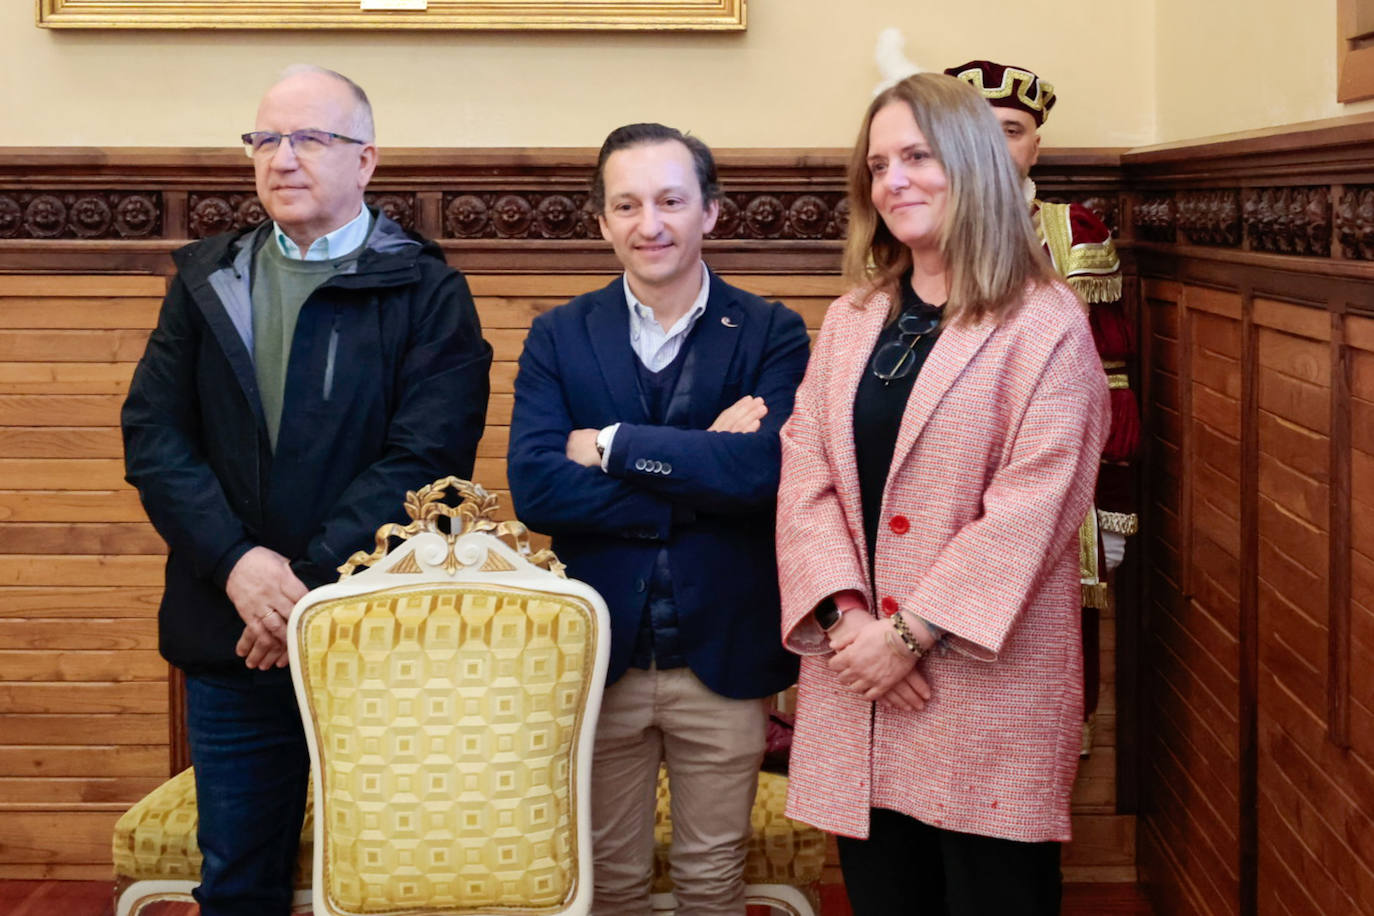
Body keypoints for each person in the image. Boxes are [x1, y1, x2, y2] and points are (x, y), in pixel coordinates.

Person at [121, 65, 491, 915]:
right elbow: (155, 436)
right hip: (231, 636)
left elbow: (427, 462)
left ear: (365, 160)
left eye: (310, 139)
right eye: (266, 139)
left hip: (373, 639)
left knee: (389, 883)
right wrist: (239, 566)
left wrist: (301, 595)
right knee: (240, 882)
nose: (282, 159)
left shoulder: (428, 291)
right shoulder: (206, 279)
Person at [776, 73, 1109, 915]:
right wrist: (845, 620)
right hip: (861, 683)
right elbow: (804, 469)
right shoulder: (853, 317)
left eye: (917, 156)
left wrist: (909, 633)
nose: (894, 181)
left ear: (971, 162)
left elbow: (1034, 507)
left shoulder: (1046, 321)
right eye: (879, 163)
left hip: (982, 685)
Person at [507, 122, 809, 915]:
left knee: (714, 885)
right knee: (610, 888)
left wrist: (611, 445)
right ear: (602, 221)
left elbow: (765, 475)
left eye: (672, 201)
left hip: (725, 657)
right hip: (599, 660)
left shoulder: (772, 332)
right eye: (628, 205)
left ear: (710, 211)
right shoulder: (558, 336)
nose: (651, 224)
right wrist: (701, 461)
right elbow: (537, 491)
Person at [945, 59, 1142, 753]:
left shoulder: (1070, 231)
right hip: (940, 481)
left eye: (1013, 131)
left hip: (1053, 480)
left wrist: (1110, 507)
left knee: (1039, 667)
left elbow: (1112, 376)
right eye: (978, 131)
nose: (997, 148)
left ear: (1036, 144)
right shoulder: (910, 229)